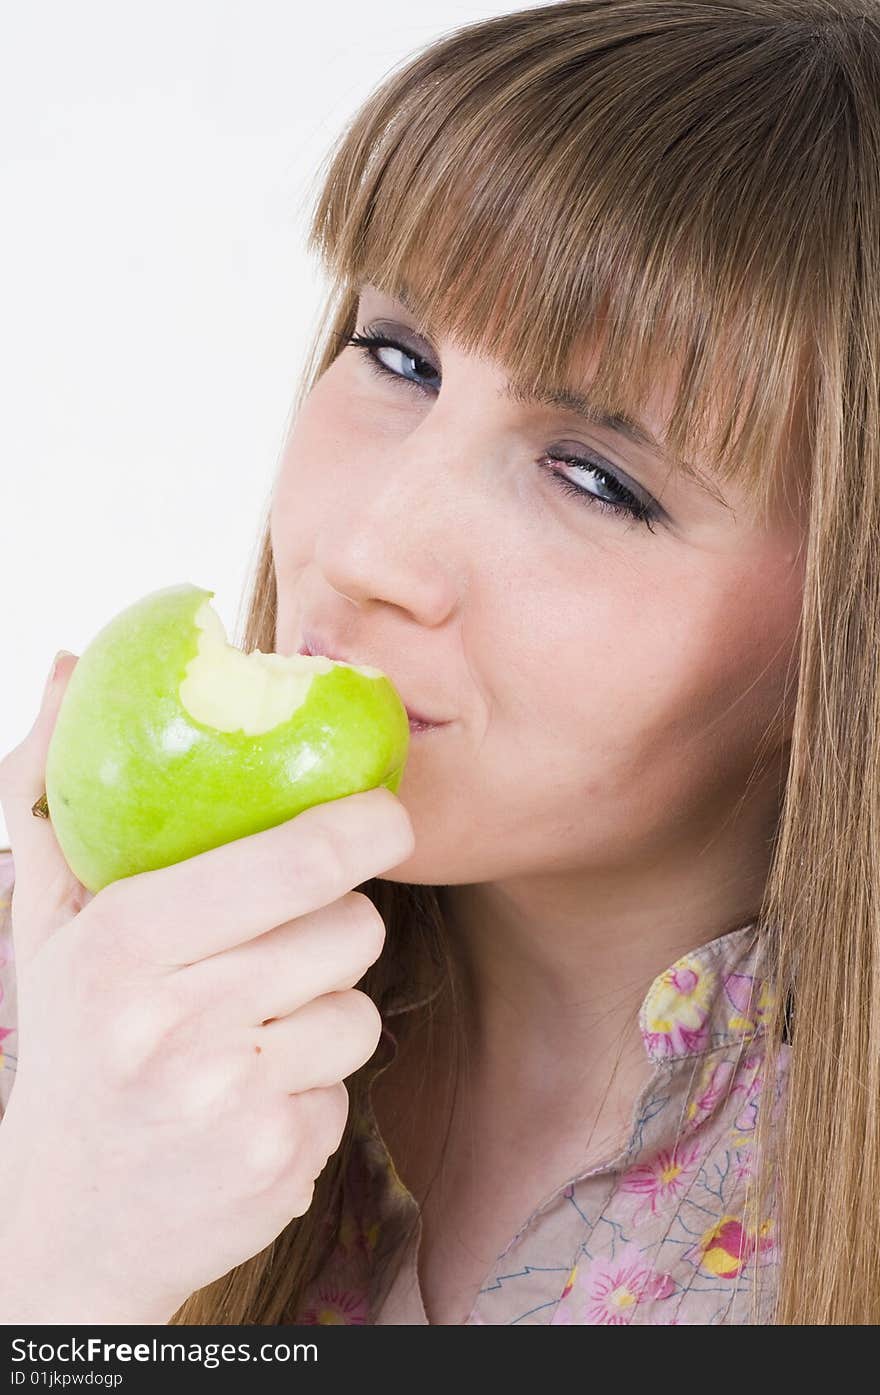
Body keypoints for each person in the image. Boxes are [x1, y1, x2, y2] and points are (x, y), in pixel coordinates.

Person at [1, 0, 878, 1326]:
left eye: (595, 477)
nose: (367, 547)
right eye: (398, 356)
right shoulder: (56, 1004)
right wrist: (54, 1265)